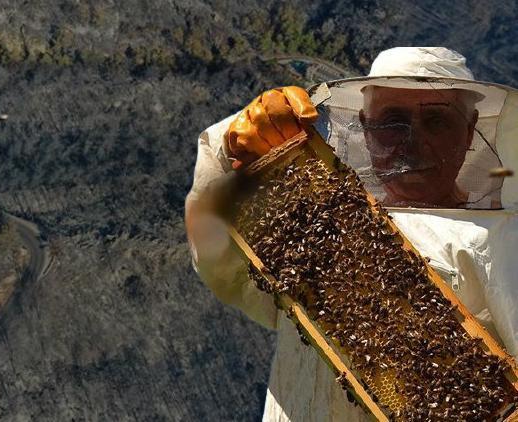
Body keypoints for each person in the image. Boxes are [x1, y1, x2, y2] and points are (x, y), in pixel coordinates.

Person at [185, 47, 518, 421]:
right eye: (393, 120)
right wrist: (233, 139)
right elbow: (218, 258)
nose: (413, 140)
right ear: (366, 126)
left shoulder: (500, 238)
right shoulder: (311, 220)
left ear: (469, 130)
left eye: (437, 121)